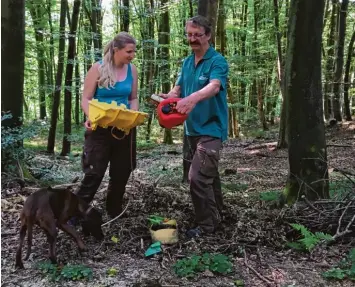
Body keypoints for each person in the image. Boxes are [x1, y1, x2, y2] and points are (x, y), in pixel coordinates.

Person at [160, 15, 229, 238]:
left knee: (197, 177)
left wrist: (193, 98)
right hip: (191, 130)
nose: (192, 39)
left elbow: (214, 86)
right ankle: (219, 214)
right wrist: (168, 98)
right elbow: (178, 89)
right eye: (189, 35)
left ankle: (207, 227)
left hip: (212, 129)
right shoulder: (187, 62)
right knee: (209, 175)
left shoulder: (217, 61)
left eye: (197, 35)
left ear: (208, 35)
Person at [76, 32, 138, 218]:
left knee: (121, 173)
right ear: (116, 50)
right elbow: (86, 99)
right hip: (100, 129)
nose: (132, 55)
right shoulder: (98, 68)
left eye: (134, 52)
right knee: (94, 173)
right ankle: (74, 213)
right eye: (128, 51)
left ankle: (114, 210)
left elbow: (133, 98)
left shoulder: (132, 70)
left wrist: (133, 117)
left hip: (124, 129)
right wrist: (91, 116)